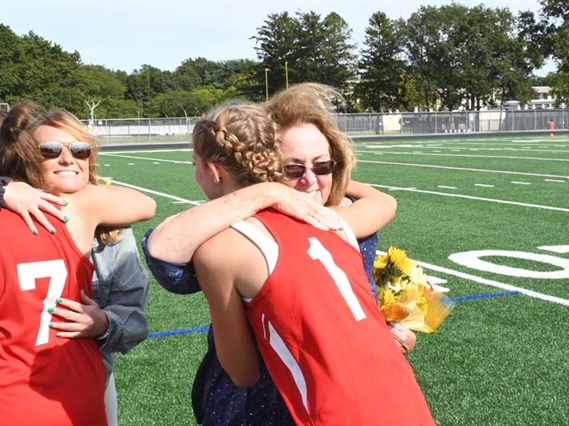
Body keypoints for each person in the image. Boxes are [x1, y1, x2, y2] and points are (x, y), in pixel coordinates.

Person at [189, 101, 433, 424]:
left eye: (322, 167)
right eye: (293, 170)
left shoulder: (220, 248)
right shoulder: (340, 225)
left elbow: (242, 371)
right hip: (401, 408)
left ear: (213, 171)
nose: (310, 180)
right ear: (268, 169)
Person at [0, 104, 156, 425]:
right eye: (51, 150)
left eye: (80, 149)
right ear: (28, 157)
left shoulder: (111, 225)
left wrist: (105, 324)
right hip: (69, 391)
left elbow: (134, 316)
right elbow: (148, 204)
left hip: (82, 376)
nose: (68, 158)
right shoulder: (86, 206)